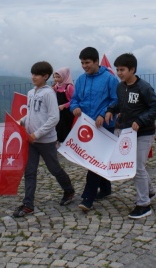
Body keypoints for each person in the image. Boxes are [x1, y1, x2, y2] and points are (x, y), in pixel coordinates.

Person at [13, 61, 75, 217]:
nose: (33, 77)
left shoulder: (49, 93)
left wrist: (38, 134)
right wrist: (22, 121)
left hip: (45, 140)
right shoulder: (31, 93)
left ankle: (69, 190)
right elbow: (32, 113)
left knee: (54, 169)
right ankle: (28, 204)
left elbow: (54, 118)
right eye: (32, 74)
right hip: (31, 140)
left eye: (37, 74)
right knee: (30, 171)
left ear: (45, 76)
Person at [105, 53, 156, 219]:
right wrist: (110, 110)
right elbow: (120, 103)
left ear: (132, 69)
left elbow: (155, 107)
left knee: (137, 167)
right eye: (117, 70)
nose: (119, 73)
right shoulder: (121, 87)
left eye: (122, 70)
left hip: (144, 132)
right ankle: (149, 192)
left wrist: (141, 120)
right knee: (138, 166)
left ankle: (143, 204)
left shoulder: (144, 87)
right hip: (127, 133)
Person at [69, 47, 119, 212]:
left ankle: (87, 198)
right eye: (82, 63)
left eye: (87, 63)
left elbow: (116, 100)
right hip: (86, 128)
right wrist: (74, 108)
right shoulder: (81, 80)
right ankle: (105, 189)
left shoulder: (110, 79)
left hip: (104, 127)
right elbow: (75, 99)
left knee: (95, 162)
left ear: (96, 62)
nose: (84, 66)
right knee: (95, 159)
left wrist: (104, 113)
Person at [52, 67, 75, 144]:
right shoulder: (57, 86)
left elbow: (74, 100)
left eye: (58, 77)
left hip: (68, 112)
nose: (56, 79)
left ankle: (67, 143)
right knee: (59, 127)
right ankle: (60, 142)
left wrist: (64, 105)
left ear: (64, 76)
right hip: (59, 111)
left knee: (67, 127)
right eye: (55, 77)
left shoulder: (69, 87)